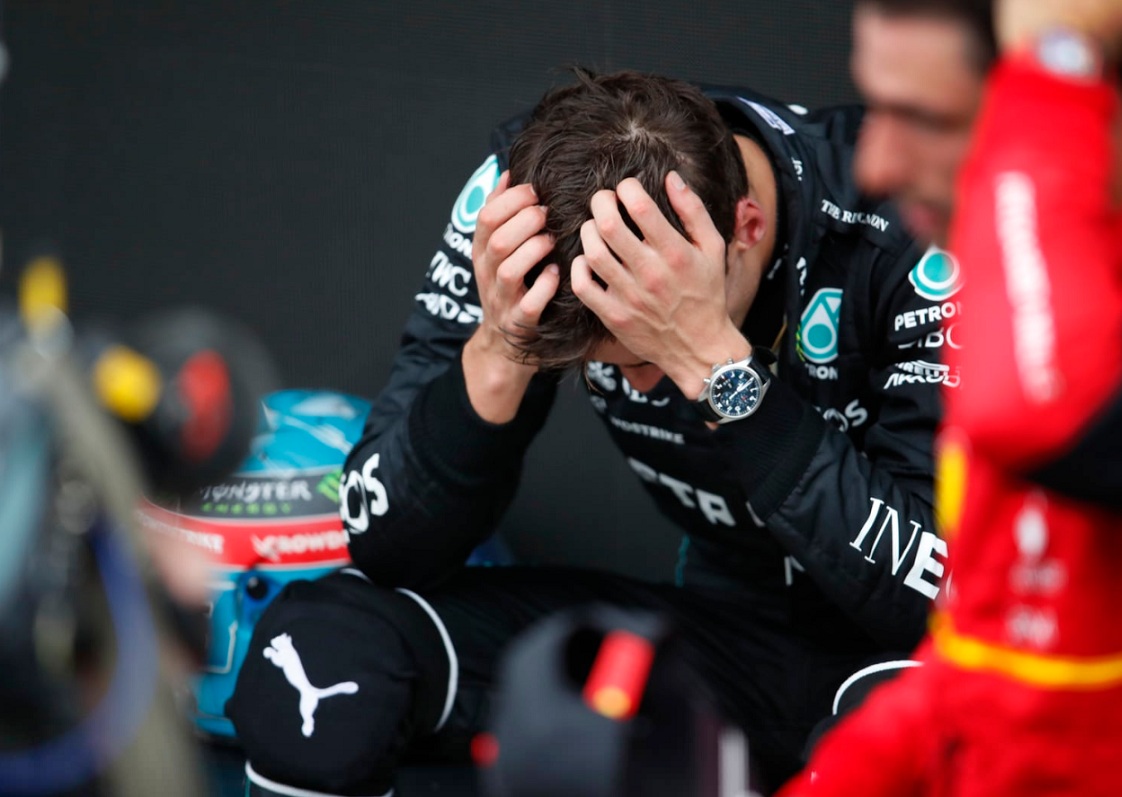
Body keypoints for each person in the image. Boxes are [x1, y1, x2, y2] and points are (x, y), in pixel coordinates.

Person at [226, 68, 951, 796]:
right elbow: (387, 544)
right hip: (721, 635)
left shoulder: (913, 219)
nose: (645, 383)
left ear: (747, 227)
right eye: (608, 362)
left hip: (906, 659)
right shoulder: (520, 204)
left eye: (653, 348)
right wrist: (502, 348)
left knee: (922, 756)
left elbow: (939, 594)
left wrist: (716, 367)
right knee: (326, 653)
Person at [780, 0, 1122, 793]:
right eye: (875, 109)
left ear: (1080, 111)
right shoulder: (1026, 273)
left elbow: (1040, 411)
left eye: (926, 119)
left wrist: (1054, 63)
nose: (872, 166)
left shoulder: (1044, 342)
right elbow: (982, 657)